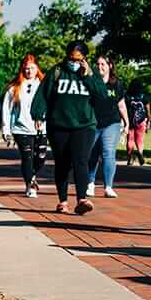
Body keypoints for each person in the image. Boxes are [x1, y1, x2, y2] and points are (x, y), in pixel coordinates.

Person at [31, 40, 108, 215]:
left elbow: (102, 95)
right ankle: (63, 200)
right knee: (62, 163)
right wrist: (38, 114)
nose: (74, 63)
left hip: (84, 124)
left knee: (81, 160)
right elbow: (43, 94)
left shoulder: (91, 74)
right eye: (71, 59)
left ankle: (82, 199)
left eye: (78, 59)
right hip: (59, 124)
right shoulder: (57, 71)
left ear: (85, 59)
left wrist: (88, 76)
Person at [2, 54, 47, 197]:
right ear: (22, 69)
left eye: (32, 68)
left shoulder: (44, 85)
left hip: (40, 128)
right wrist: (6, 130)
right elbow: (6, 110)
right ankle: (30, 185)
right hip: (21, 128)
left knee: (40, 158)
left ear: (37, 68)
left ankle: (32, 175)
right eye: (27, 68)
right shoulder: (14, 87)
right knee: (27, 157)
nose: (29, 71)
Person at [86, 55, 129, 199]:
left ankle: (108, 186)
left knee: (108, 152)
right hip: (93, 123)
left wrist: (127, 122)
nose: (100, 67)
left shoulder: (117, 84)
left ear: (110, 65)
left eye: (103, 64)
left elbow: (121, 104)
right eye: (97, 64)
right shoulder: (92, 82)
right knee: (92, 153)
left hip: (112, 123)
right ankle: (90, 183)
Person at [125, 79, 151, 165]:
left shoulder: (127, 96)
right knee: (140, 139)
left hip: (130, 120)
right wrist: (149, 119)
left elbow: (123, 108)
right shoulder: (144, 96)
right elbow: (147, 109)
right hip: (141, 120)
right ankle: (140, 153)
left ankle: (130, 158)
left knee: (130, 139)